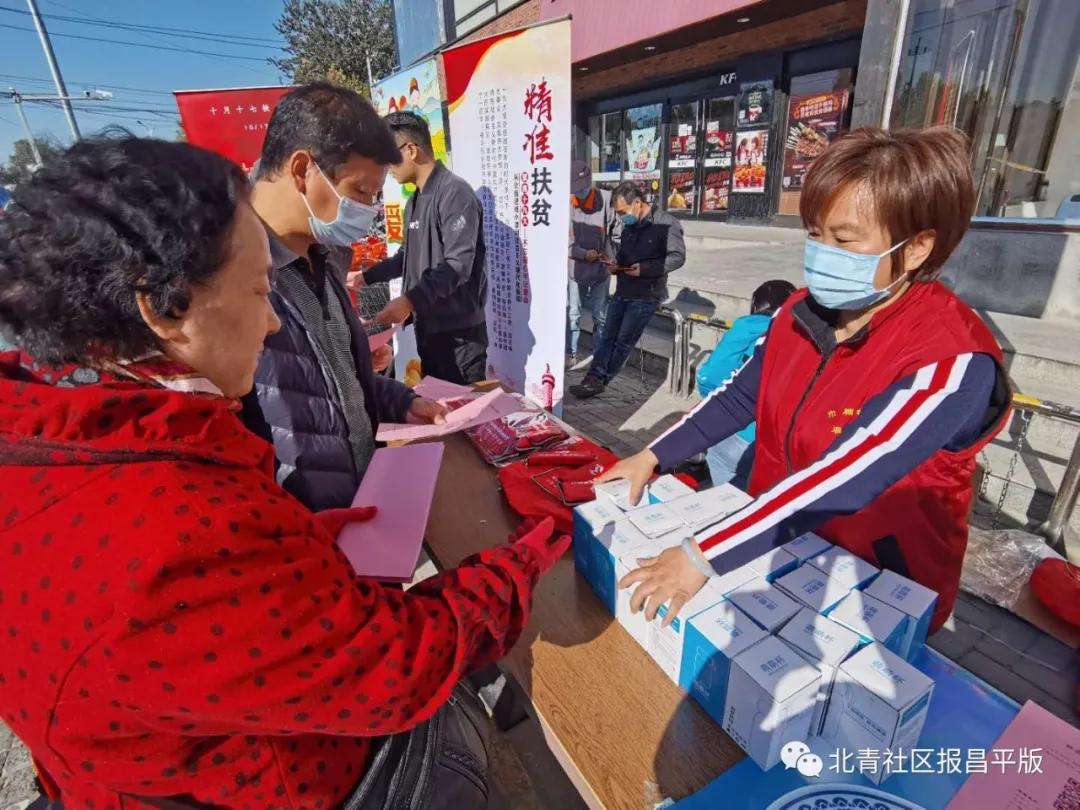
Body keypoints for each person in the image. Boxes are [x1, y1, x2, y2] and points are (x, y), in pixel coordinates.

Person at [0, 135, 569, 810]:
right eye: (257, 290)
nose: (271, 323)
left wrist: (293, 546)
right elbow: (396, 667)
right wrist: (520, 564)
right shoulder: (181, 529)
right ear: (162, 306)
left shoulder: (51, 434)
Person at [599, 127, 1011, 635]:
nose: (821, 254)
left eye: (843, 239)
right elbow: (738, 397)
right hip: (776, 546)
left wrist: (701, 554)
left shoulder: (952, 359)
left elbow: (852, 472)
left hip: (874, 585)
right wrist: (653, 455)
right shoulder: (799, 313)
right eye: (814, 234)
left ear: (918, 247)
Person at [241, 84, 446, 513]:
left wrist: (399, 401)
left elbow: (327, 389)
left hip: (359, 506)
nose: (368, 211)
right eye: (360, 192)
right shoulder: (229, 272)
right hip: (297, 533)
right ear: (302, 170)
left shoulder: (323, 252)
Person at [361, 111, 489, 385]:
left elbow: (458, 266)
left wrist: (408, 300)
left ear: (411, 150)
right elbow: (406, 258)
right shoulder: (415, 201)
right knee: (439, 415)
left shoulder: (455, 194)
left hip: (459, 337)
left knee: (464, 416)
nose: (387, 168)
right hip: (428, 329)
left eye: (388, 158)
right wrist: (364, 277)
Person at [569, 180, 686, 399]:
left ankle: (602, 379)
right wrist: (616, 264)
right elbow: (624, 253)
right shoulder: (629, 227)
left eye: (623, 211)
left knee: (623, 341)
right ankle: (593, 377)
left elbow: (678, 257)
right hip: (623, 289)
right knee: (607, 336)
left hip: (646, 294)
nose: (622, 217)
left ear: (638, 203)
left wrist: (645, 269)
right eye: (618, 213)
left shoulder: (667, 224)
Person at [697, 280, 795, 488]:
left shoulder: (747, 329)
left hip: (737, 433)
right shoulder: (803, 334)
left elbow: (709, 378)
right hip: (781, 442)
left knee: (726, 493)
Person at [566, 159, 616, 366]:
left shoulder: (607, 200)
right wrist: (581, 253)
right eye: (577, 190)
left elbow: (616, 234)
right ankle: (571, 353)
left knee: (600, 316)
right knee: (573, 314)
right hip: (576, 270)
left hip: (601, 270)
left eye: (584, 188)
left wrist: (613, 257)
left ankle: (598, 355)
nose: (581, 193)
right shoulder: (567, 204)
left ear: (591, 181)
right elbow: (563, 241)